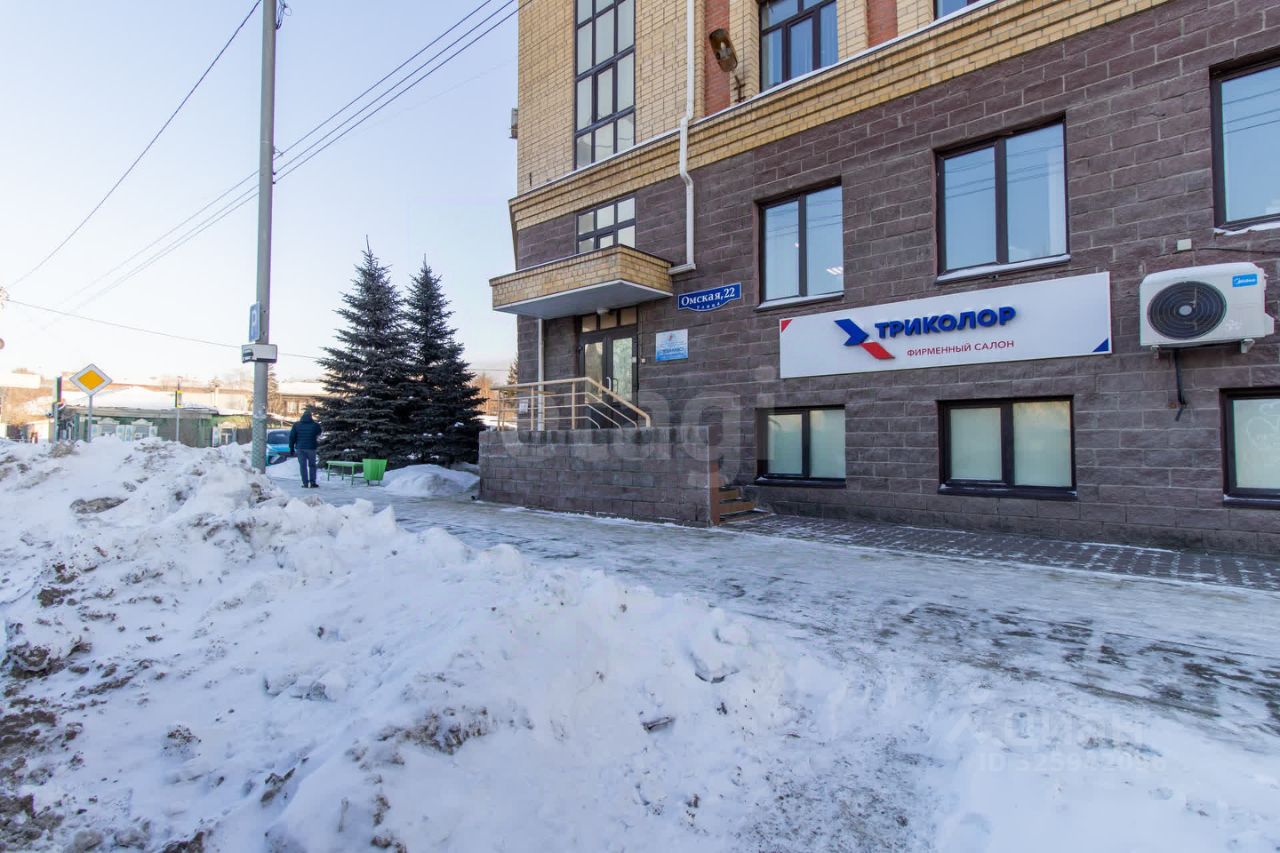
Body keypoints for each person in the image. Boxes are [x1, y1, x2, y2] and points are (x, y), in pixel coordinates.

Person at [289, 409, 322, 488]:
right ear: (310, 417)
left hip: (300, 448)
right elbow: (319, 433)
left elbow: (292, 437)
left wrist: (291, 448)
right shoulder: (315, 425)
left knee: (303, 466)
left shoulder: (296, 425)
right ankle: (313, 482)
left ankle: (305, 483)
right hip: (311, 448)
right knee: (312, 465)